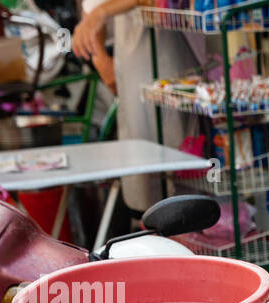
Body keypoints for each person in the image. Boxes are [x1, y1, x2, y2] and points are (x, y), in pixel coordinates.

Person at [72, 0, 206, 212]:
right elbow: (92, 10)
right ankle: (156, 226)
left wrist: (101, 13)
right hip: (138, 59)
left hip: (173, 50)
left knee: (181, 148)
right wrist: (101, 59)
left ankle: (187, 224)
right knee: (147, 157)